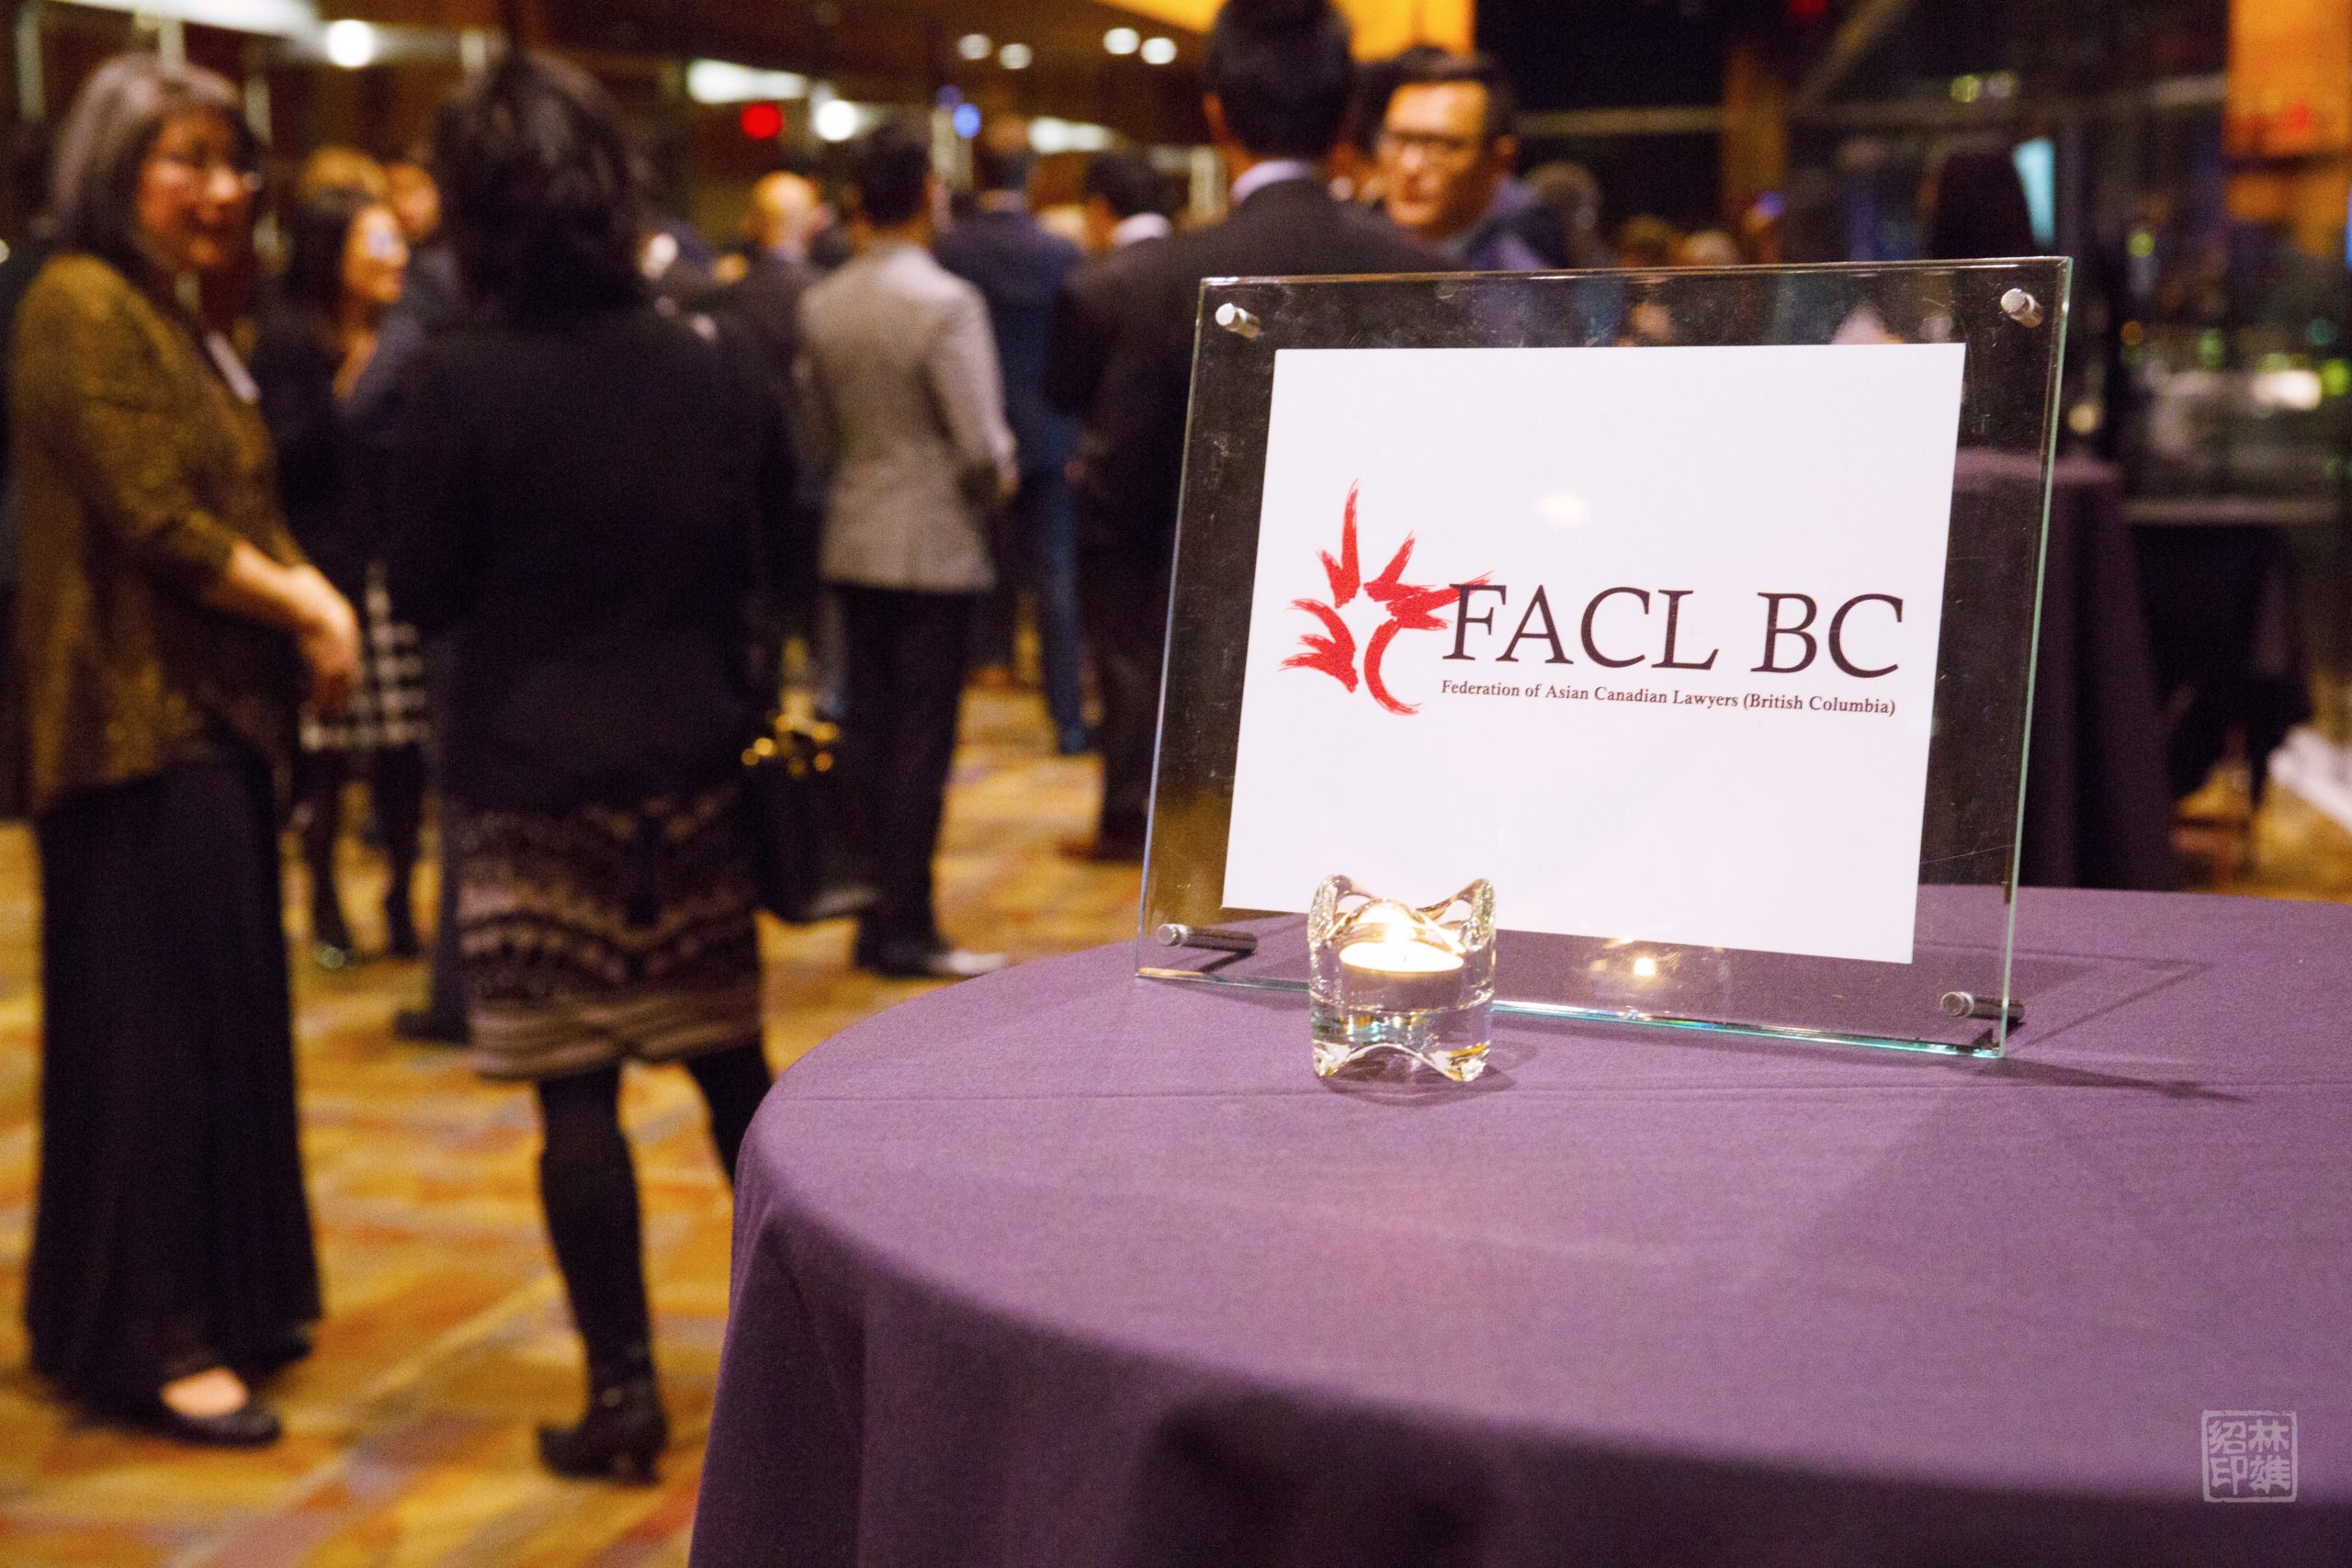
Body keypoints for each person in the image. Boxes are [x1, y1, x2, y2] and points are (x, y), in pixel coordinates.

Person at [388, 53, 789, 1480]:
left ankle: (622, 1393)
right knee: (729, 1062)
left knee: (576, 1096)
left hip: (526, 764)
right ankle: (808, 1343)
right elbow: (768, 544)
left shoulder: (455, 380)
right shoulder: (706, 355)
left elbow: (426, 591)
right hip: (687, 745)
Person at [11, 53, 361, 1445]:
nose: (222, 191)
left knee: (217, 1028)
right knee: (148, 1043)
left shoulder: (167, 308)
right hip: (130, 735)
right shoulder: (76, 302)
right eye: (186, 162)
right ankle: (149, 1331)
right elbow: (155, 516)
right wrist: (314, 603)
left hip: (205, 730)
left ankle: (215, 1299)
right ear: (113, 168)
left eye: (233, 163)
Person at [1059, 0, 1441, 864]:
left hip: (1216, 670)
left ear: (1218, 114)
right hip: (1390, 653)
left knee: (1221, 934)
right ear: (1348, 116)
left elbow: (1119, 495)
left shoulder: (1171, 278)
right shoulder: (1423, 274)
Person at [797, 123, 1016, 979]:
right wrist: (995, 493)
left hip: (855, 532)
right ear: (928, 194)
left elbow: (817, 435)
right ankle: (909, 922)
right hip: (933, 542)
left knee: (867, 733)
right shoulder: (946, 302)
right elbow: (982, 445)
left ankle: (869, 911)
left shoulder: (822, 301)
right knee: (922, 743)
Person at [254, 187, 431, 968]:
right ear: (334, 253)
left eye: (398, 242)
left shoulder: (413, 335)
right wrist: (348, 387)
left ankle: (399, 897)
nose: (395, 258)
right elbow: (280, 458)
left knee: (403, 749)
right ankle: (323, 896)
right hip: (320, 572)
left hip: (395, 566)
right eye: (376, 243)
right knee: (322, 749)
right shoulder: (289, 340)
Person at [933, 143, 1089, 755]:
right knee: (1054, 577)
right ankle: (1070, 718)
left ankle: (953, 721)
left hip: (966, 427)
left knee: (965, 572)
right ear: (1035, 176)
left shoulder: (951, 249)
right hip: (1047, 429)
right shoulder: (1059, 250)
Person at [1042, 151, 1173, 861]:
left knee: (1122, 655)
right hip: (1201, 493)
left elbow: (1060, 390)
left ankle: (1126, 810)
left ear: (1099, 208)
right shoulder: (1196, 268)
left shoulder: (1094, 284)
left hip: (1118, 500)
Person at [1377, 51, 1563, 271]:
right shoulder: (1361, 253)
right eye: (1398, 140)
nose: (1410, 166)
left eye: (1441, 146)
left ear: (1500, 160)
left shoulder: (1521, 282)